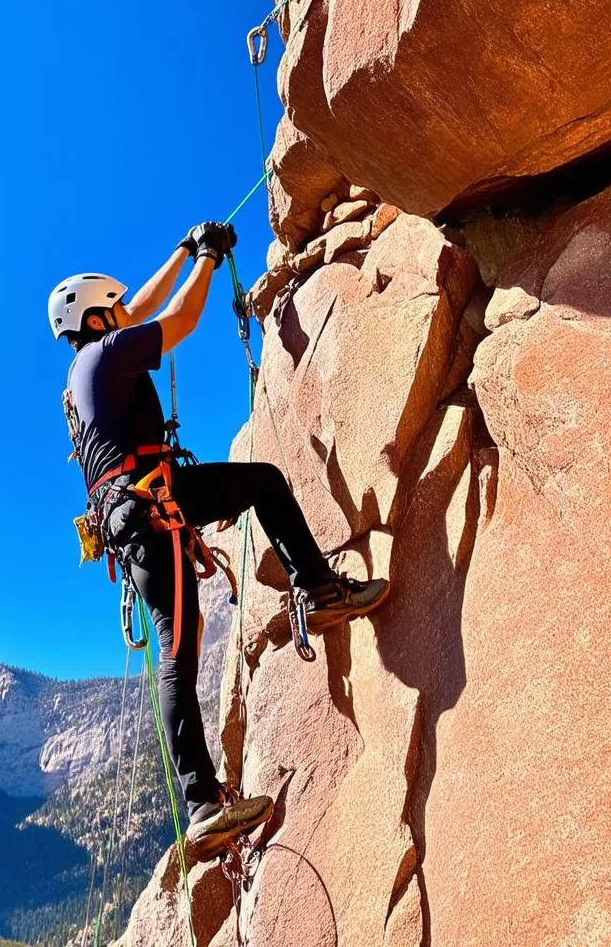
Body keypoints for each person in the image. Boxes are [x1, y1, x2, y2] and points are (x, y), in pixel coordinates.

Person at [48, 221, 388, 860]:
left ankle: (207, 796)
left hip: (139, 515)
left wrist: (179, 248)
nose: (124, 315)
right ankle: (203, 800)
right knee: (183, 642)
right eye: (112, 313)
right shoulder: (108, 354)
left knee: (190, 624)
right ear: (98, 322)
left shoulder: (87, 364)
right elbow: (175, 321)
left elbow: (139, 309)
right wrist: (206, 261)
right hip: (153, 508)